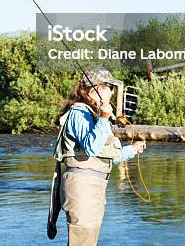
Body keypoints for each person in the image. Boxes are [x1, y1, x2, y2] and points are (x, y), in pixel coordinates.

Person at [48, 67, 146, 245]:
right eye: (108, 87)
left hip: (95, 187)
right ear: (97, 89)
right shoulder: (79, 113)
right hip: (82, 187)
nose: (111, 91)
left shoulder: (95, 115)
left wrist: (132, 150)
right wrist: (103, 118)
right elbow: (91, 148)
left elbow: (109, 155)